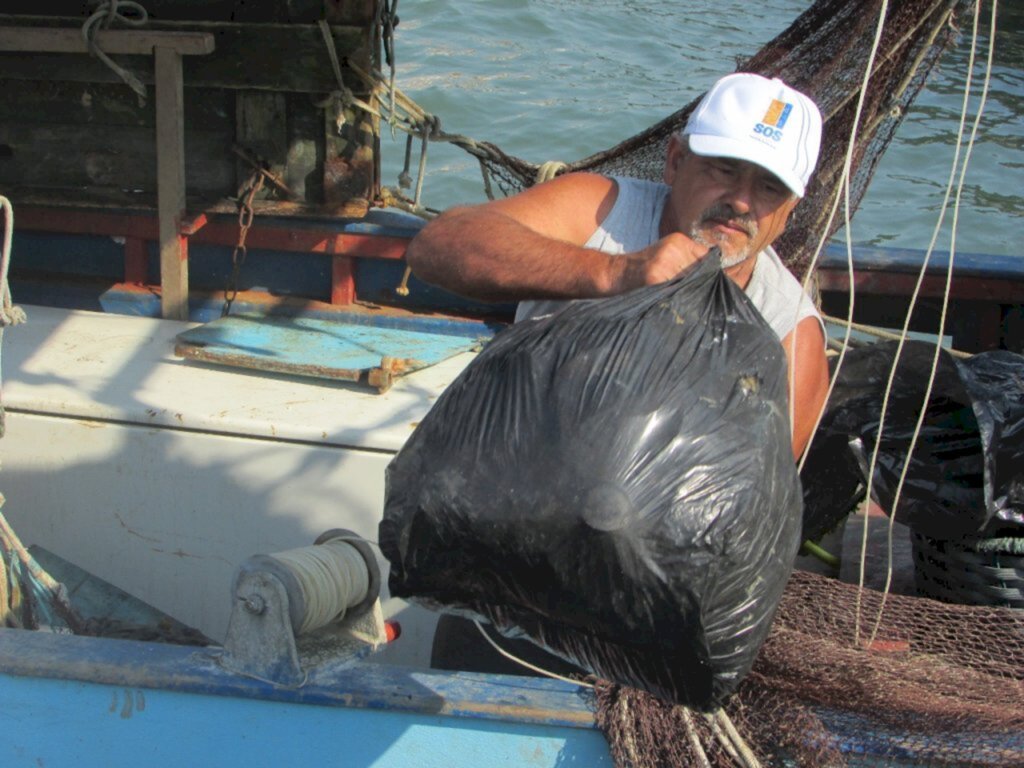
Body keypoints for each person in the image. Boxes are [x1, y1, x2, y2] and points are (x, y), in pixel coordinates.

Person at [407, 72, 829, 458]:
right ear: (676, 161)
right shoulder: (600, 210)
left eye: (770, 188)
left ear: (790, 210)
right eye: (724, 169)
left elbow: (759, 495)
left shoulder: (791, 333)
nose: (741, 201)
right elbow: (438, 245)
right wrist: (616, 272)